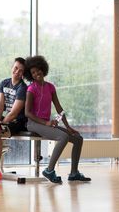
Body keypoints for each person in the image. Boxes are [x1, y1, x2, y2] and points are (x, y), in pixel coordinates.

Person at [24, 55, 91, 184]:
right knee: (63, 137)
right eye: (33, 72)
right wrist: (46, 123)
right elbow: (27, 113)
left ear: (43, 69)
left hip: (46, 123)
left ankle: (74, 173)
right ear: (30, 75)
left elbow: (59, 108)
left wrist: (68, 127)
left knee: (77, 138)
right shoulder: (31, 89)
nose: (36, 73)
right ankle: (49, 170)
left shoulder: (50, 87)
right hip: (33, 123)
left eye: (38, 70)